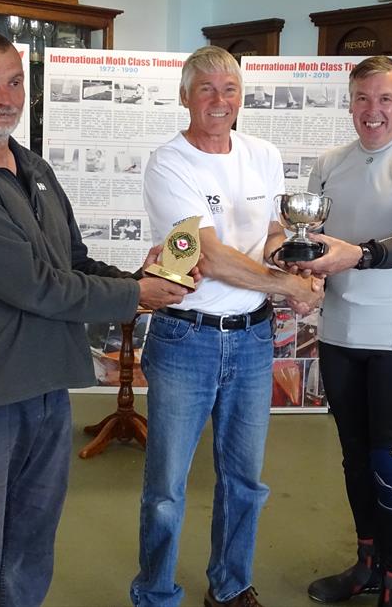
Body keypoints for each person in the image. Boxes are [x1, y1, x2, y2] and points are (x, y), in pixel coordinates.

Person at [0, 30, 191, 607]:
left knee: (29, 548)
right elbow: (31, 285)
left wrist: (145, 275)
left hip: (45, 388)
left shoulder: (31, 166)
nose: (4, 97)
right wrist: (137, 295)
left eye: (15, 82)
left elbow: (73, 261)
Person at [129, 45, 323, 607]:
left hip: (252, 340)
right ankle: (156, 593)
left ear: (242, 96)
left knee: (245, 481)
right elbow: (206, 255)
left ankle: (231, 585)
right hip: (186, 338)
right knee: (166, 489)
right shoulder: (170, 163)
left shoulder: (263, 154)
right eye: (207, 89)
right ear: (185, 96)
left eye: (230, 89)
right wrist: (289, 288)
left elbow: (268, 235)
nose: (220, 101)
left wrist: (296, 260)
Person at [282, 56, 392, 607]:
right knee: (355, 457)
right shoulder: (329, 163)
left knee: (391, 461)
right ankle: (367, 565)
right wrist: (296, 270)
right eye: (362, 99)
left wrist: (358, 254)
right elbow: (312, 240)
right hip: (339, 333)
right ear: (350, 103)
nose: (372, 111)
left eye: (384, 99)